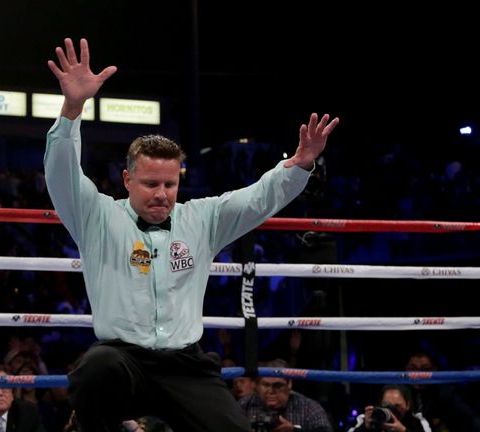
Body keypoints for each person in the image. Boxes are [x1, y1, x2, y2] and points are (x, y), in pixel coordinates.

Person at [44, 37, 339, 432]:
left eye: (169, 184)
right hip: (122, 361)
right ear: (127, 179)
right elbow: (61, 174)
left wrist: (299, 165)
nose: (162, 194)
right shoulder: (96, 216)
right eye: (150, 183)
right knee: (96, 368)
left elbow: (256, 199)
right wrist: (72, 110)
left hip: (185, 365)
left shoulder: (201, 218)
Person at [238, 359, 334, 431]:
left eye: (278, 385)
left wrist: (295, 431)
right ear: (258, 385)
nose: (271, 391)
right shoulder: (244, 405)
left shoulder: (309, 407)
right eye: (266, 385)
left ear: (289, 384)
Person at [405, 352, 480, 432]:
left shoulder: (445, 392)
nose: (419, 374)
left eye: (425, 369)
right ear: (406, 369)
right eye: (413, 369)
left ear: (434, 370)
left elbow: (471, 418)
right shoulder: (399, 391)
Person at [347, 384, 432, 432]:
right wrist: (366, 428)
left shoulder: (419, 422)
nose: (391, 410)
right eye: (386, 405)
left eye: (397, 406)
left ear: (407, 405)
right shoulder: (368, 419)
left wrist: (403, 430)